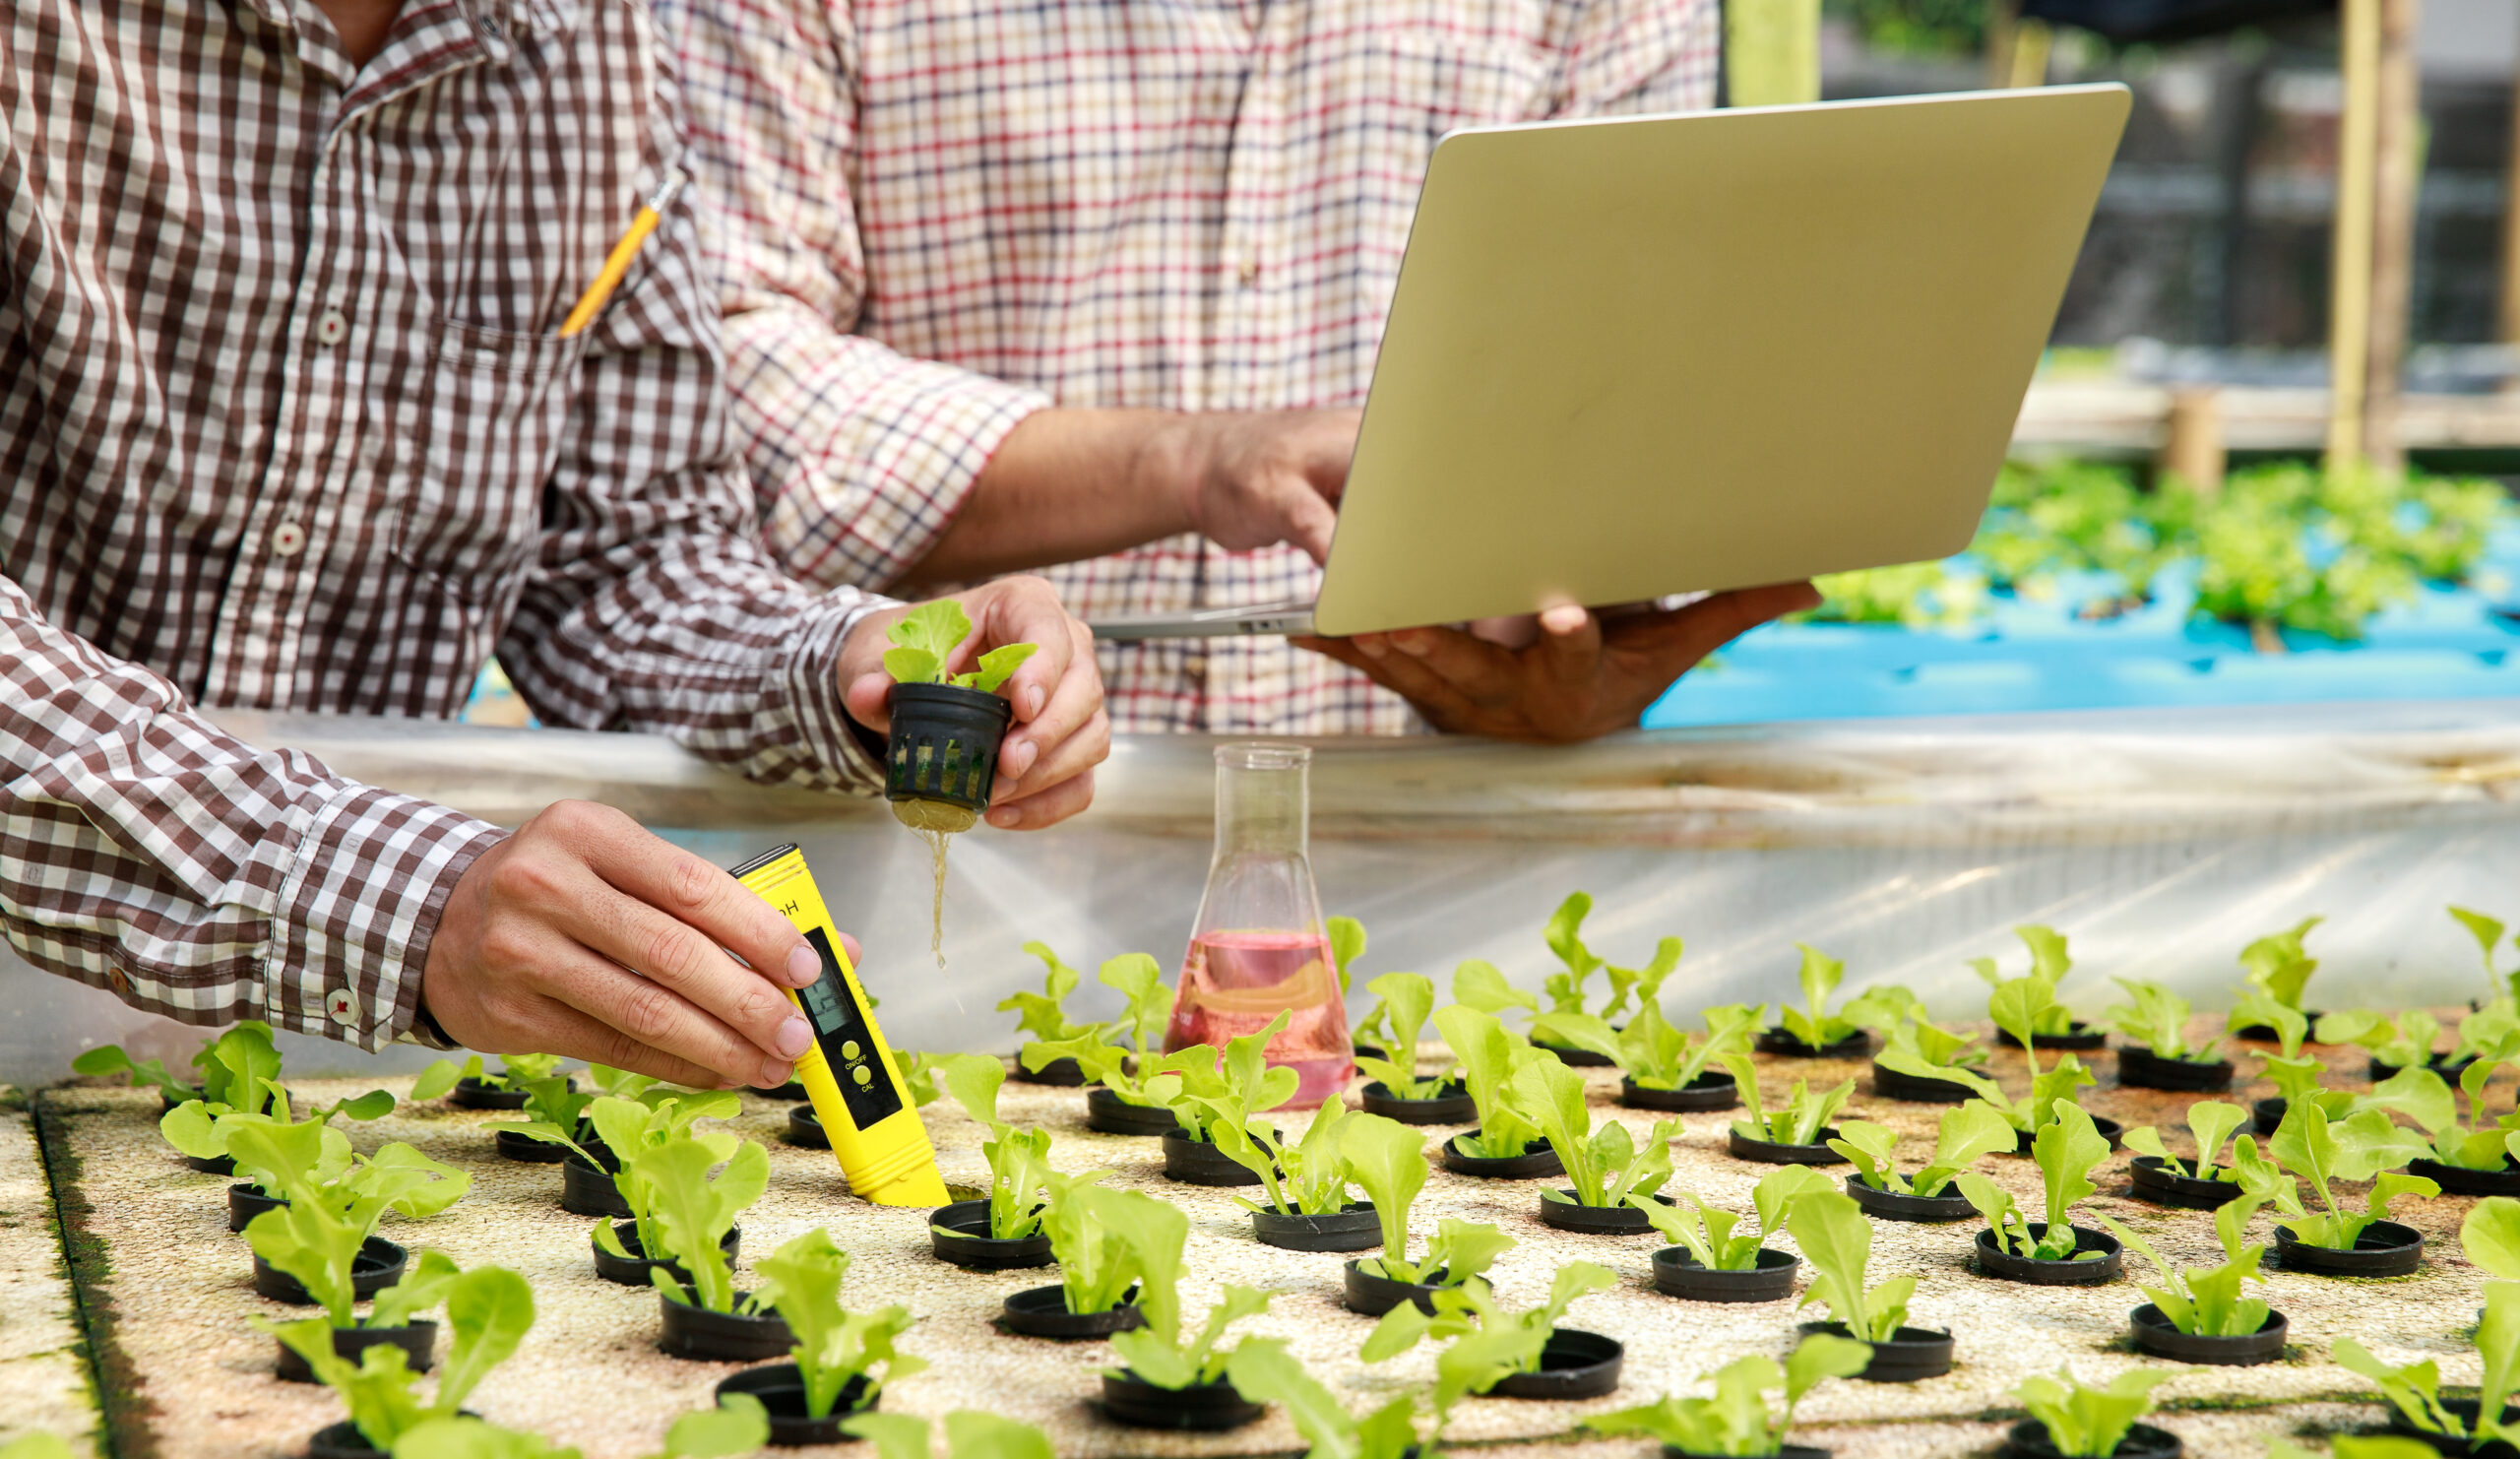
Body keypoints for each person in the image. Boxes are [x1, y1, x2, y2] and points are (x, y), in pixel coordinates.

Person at [0, 0, 1107, 1092]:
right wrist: (407, 902)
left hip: (345, 1057)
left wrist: (848, 662)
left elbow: (623, 559)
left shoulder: (588, 44)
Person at [663, 0, 1821, 743]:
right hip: (940, 817)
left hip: (1425, 831)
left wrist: (1571, 651)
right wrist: (1186, 460)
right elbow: (717, 387)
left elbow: (1606, 386)